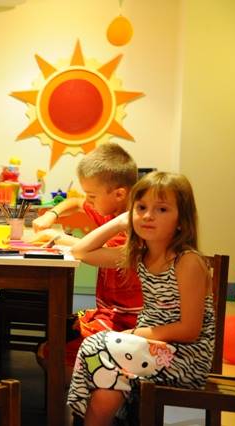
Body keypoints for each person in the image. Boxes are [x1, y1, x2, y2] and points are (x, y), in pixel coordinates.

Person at [67, 171, 215, 424]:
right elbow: (80, 251)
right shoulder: (139, 254)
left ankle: (82, 418)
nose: (147, 216)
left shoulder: (187, 261)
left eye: (162, 209)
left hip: (184, 357)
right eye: (141, 207)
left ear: (182, 220)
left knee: (96, 345)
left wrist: (133, 334)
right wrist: (119, 222)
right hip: (150, 348)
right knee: (106, 388)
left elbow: (190, 330)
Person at [32, 143, 143, 381]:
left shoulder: (134, 229)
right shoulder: (110, 211)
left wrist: (57, 237)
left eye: (92, 196)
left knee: (51, 351)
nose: (89, 201)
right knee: (56, 333)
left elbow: (84, 252)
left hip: (128, 320)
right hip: (109, 312)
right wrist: (52, 214)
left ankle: (101, 388)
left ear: (119, 194)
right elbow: (74, 201)